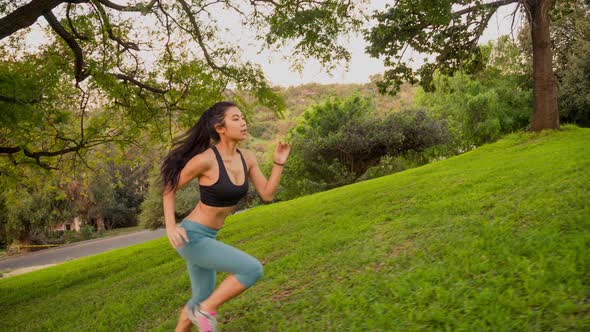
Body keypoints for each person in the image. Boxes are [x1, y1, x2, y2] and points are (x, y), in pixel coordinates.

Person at [160, 101, 291, 332]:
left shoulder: (247, 158)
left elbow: (268, 194)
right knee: (251, 269)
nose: (243, 123)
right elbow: (169, 188)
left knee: (200, 296)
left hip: (208, 236)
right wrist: (171, 227)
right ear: (220, 128)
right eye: (236, 119)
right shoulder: (206, 160)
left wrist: (278, 162)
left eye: (243, 118)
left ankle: (199, 311)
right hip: (191, 237)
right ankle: (205, 311)